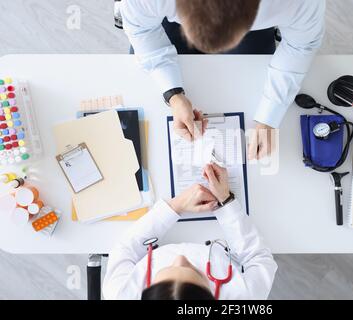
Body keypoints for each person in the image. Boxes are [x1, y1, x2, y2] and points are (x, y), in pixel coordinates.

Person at [120, 0, 326, 159]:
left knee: (248, 72)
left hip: (256, 25)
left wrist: (269, 116)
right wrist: (172, 93)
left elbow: (301, 46)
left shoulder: (297, 3)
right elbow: (142, 29)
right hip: (167, 13)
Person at [103, 163, 277, 300]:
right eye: (195, 272)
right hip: (216, 234)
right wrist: (225, 201)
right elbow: (258, 258)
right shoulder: (245, 296)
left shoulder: (119, 293)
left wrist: (175, 206)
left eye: (166, 269)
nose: (181, 259)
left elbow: (125, 249)